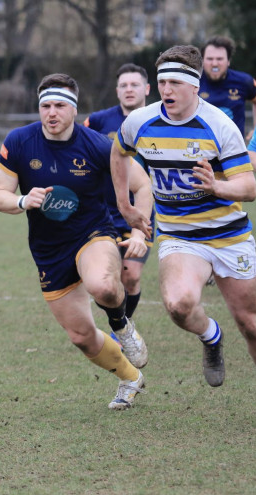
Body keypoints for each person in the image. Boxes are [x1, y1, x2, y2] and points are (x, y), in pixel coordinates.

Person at [0, 73, 151, 411]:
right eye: (45, 105)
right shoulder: (19, 141)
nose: (51, 113)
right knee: (81, 336)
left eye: (60, 105)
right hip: (49, 251)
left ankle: (122, 324)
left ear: (74, 109)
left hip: (92, 234)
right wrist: (22, 201)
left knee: (103, 285)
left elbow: (142, 184)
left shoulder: (97, 145)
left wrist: (138, 231)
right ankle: (129, 377)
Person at [111, 45, 256, 388]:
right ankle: (211, 337)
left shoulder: (219, 126)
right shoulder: (140, 121)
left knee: (251, 324)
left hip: (228, 235)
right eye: (162, 82)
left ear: (195, 86)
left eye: (175, 82)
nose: (166, 90)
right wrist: (124, 203)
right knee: (178, 305)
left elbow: (249, 187)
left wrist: (217, 187)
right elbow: (118, 153)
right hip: (180, 235)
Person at [84, 63, 154, 320]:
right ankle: (119, 325)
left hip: (142, 207)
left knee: (132, 276)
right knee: (107, 279)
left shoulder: (158, 120)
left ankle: (125, 326)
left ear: (146, 88)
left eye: (135, 84)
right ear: (117, 91)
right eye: (123, 85)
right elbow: (79, 149)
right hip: (104, 211)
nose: (129, 90)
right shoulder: (99, 121)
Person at [198, 35, 256, 138]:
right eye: (210, 59)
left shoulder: (244, 81)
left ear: (228, 61)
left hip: (235, 150)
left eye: (220, 59)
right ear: (202, 61)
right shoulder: (193, 82)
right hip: (200, 149)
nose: (215, 63)